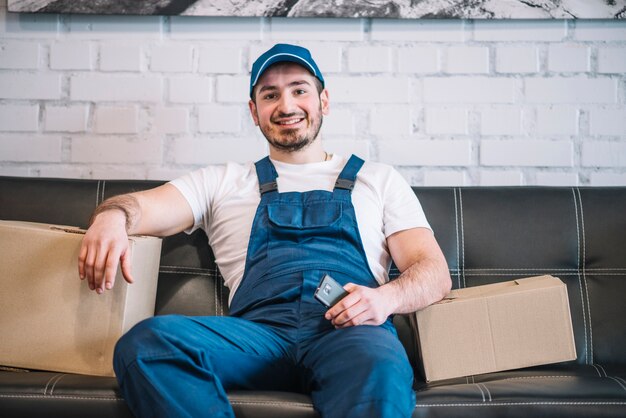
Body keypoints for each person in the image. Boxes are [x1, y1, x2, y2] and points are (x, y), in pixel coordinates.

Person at [78, 43, 452, 418]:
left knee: (380, 371)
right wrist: (111, 217)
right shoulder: (223, 181)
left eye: (299, 90)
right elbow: (140, 208)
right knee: (147, 346)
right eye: (270, 94)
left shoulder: (378, 178)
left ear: (324, 101)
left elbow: (433, 274)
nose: (286, 105)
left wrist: (384, 299)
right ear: (254, 112)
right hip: (257, 339)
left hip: (352, 335)